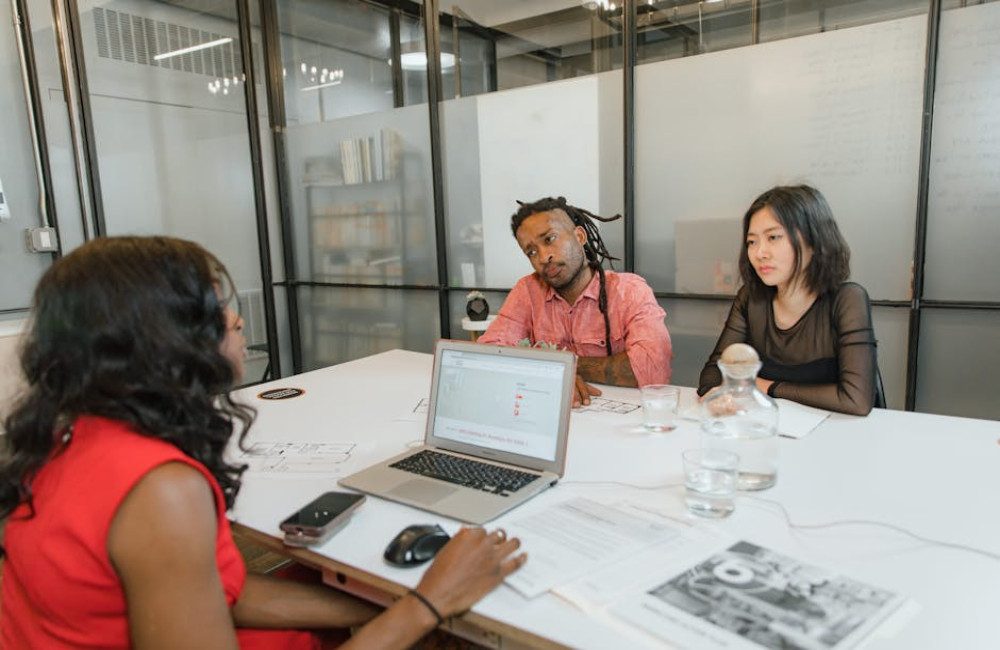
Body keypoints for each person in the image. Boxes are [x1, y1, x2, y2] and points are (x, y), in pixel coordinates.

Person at [0, 236, 525, 649]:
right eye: (212, 308)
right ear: (163, 339)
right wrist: (427, 606)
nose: (236, 318)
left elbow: (227, 590)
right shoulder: (159, 490)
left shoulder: (62, 438)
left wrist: (385, 604)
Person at [697, 185, 879, 416]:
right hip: (770, 428)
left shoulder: (847, 299)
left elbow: (856, 400)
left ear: (813, 241)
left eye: (773, 237)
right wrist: (719, 392)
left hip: (838, 436)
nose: (760, 252)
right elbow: (713, 373)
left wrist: (766, 387)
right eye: (752, 241)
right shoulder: (751, 299)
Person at [478, 197, 672, 407]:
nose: (543, 257)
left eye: (550, 239)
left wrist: (558, 368)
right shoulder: (527, 291)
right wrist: (553, 379)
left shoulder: (629, 290)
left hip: (619, 418)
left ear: (579, 236)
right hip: (549, 410)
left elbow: (653, 368)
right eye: (531, 252)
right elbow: (489, 355)